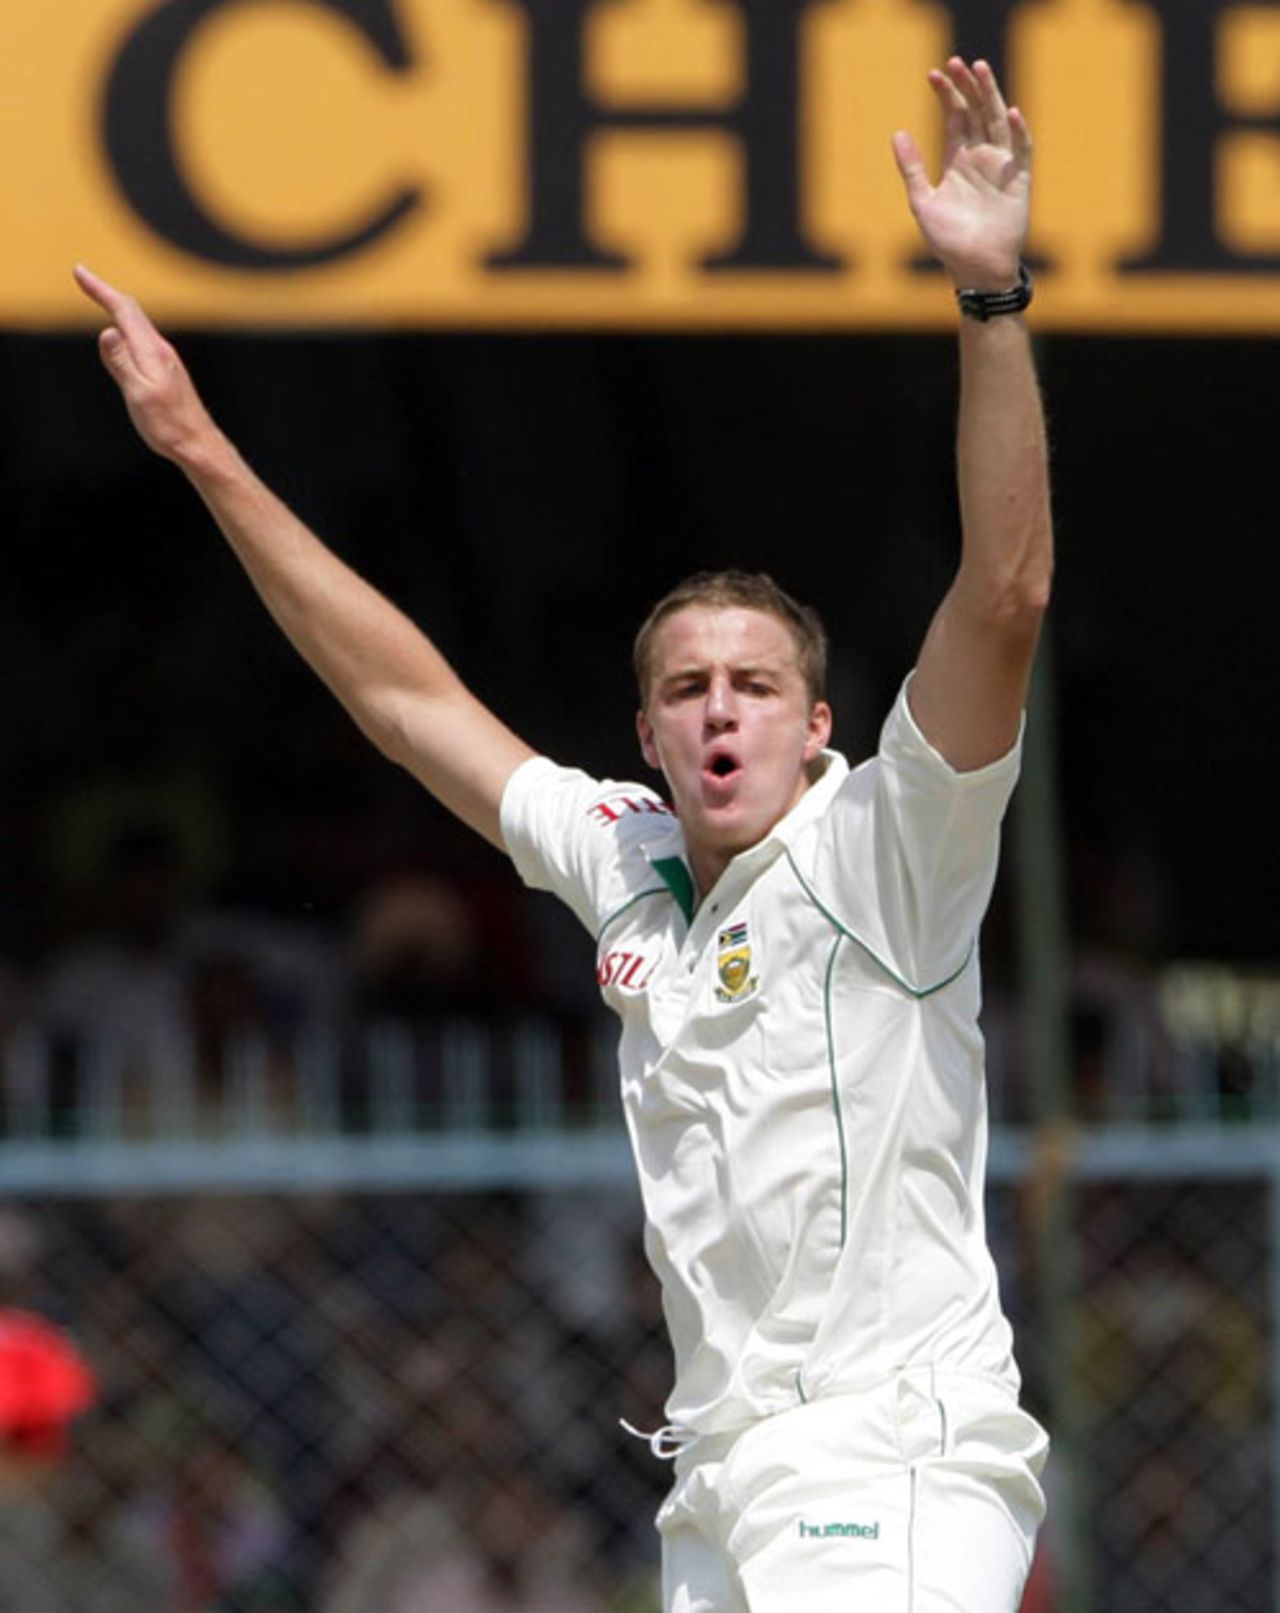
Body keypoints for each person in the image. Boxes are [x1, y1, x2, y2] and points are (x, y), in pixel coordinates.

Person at [77, 55, 1051, 1613]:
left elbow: (1003, 597)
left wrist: (994, 304)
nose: (720, 709)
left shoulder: (894, 842)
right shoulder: (626, 853)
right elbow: (406, 701)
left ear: (819, 727)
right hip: (723, 1482)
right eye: (686, 688)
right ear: (650, 732)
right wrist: (202, 450)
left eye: (755, 685)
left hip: (895, 1463)